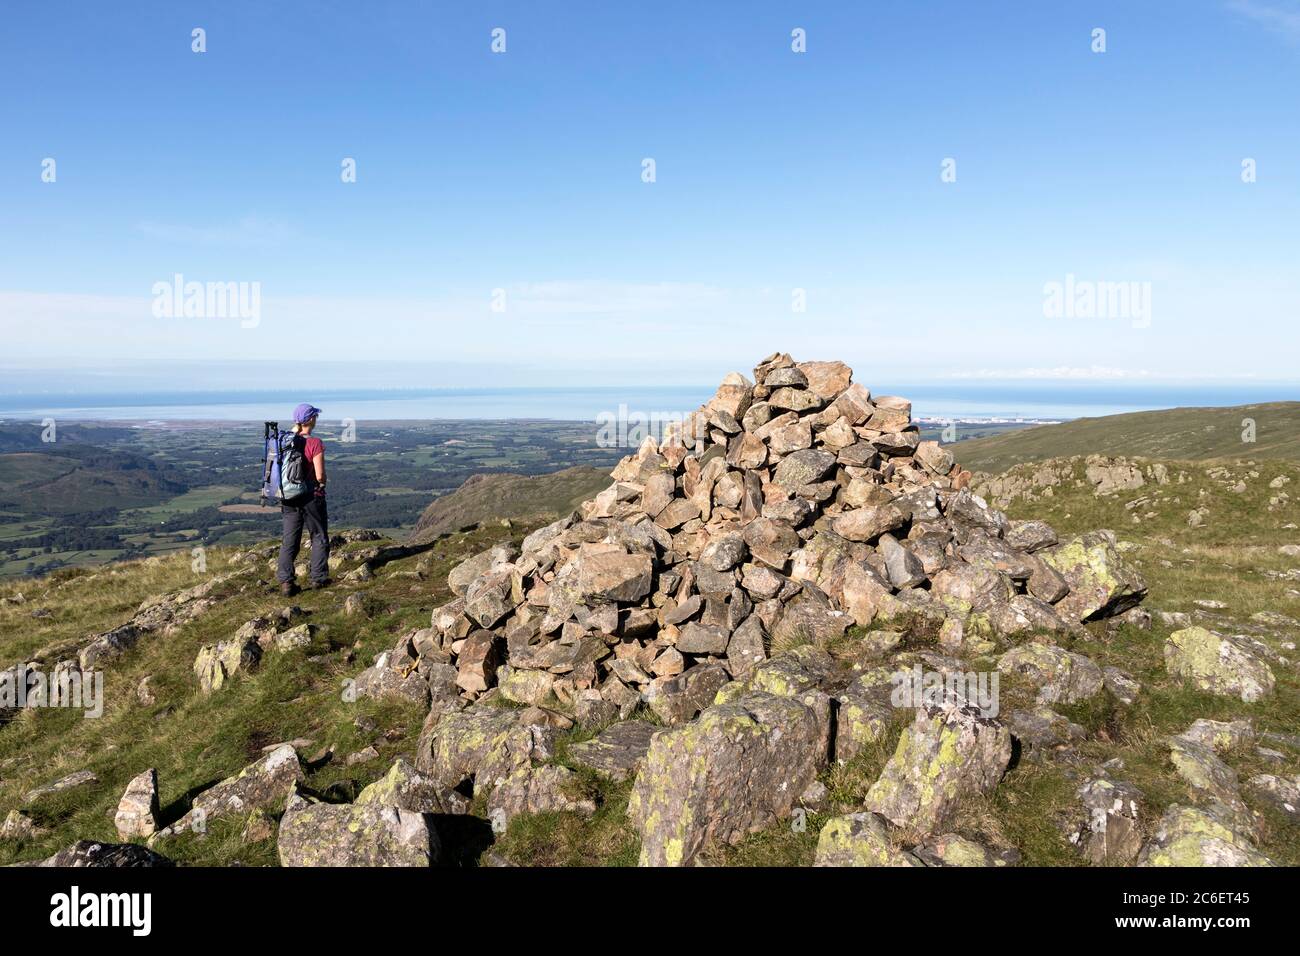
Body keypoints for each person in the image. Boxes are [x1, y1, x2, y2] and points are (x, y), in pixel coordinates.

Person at [276, 403, 329, 596]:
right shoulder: (315, 443)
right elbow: (320, 474)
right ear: (311, 419)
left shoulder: (283, 441)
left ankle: (286, 583)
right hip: (311, 496)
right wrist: (322, 483)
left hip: (288, 497)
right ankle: (318, 578)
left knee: (290, 540)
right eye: (315, 416)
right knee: (318, 536)